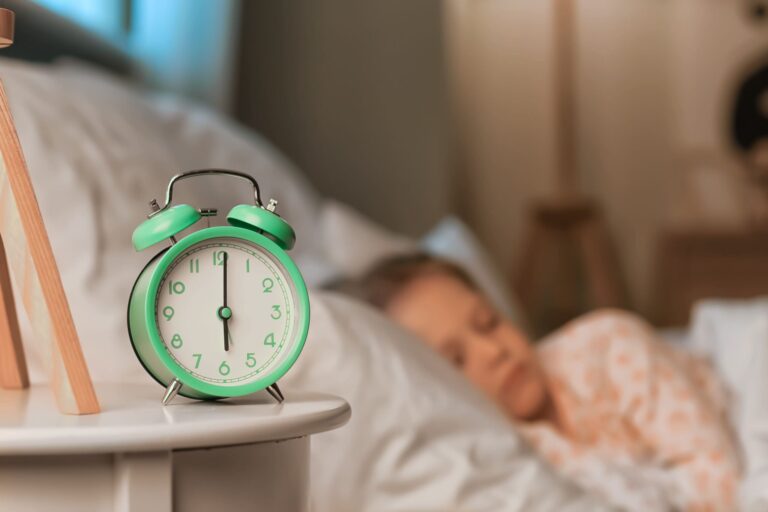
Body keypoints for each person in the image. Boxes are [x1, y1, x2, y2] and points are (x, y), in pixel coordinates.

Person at [341, 253, 741, 512]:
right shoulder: (499, 455)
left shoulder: (609, 348)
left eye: (489, 322)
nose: (492, 351)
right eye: (457, 360)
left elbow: (721, 476)